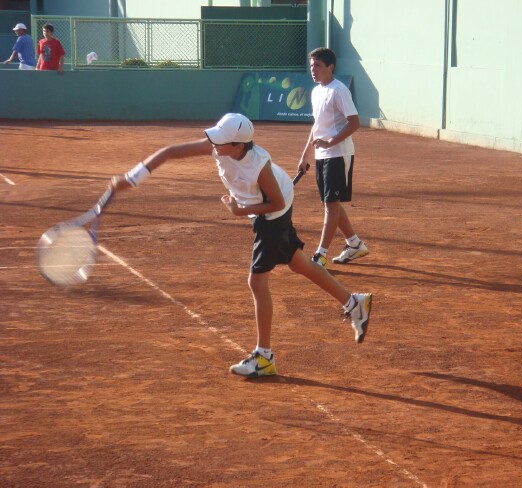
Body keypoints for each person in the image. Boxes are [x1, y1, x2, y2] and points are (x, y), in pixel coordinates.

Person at [110, 113, 373, 378]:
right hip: (268, 204)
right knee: (297, 263)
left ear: (238, 146)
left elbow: (277, 204)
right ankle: (354, 302)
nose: (212, 144)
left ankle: (264, 357)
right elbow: (168, 152)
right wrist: (131, 178)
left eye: (220, 142)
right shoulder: (220, 147)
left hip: (272, 213)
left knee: (257, 282)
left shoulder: (258, 165)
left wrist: (240, 210)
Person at [298, 47, 369, 269]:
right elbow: (317, 126)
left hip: (338, 154)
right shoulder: (316, 92)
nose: (313, 70)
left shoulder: (339, 91)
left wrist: (331, 142)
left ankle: (320, 254)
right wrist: (305, 155)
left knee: (330, 203)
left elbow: (354, 122)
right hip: (322, 155)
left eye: (318, 65)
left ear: (331, 67)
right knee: (330, 203)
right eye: (311, 66)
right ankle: (355, 244)